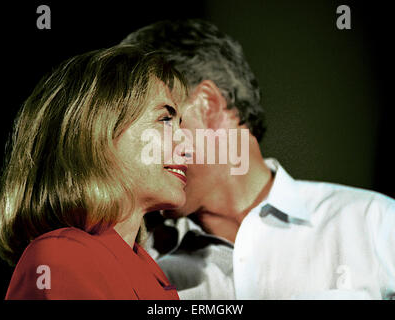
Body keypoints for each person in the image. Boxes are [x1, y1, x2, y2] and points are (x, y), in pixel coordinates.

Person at [120, 19, 395, 300]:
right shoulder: (131, 264)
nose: (142, 150)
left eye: (161, 120)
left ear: (208, 104)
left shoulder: (375, 224)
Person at [0, 44, 191, 299]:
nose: (187, 145)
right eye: (164, 120)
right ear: (96, 132)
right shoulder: (62, 258)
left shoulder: (148, 271)